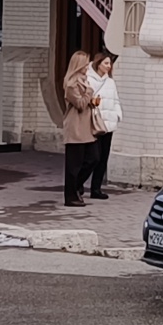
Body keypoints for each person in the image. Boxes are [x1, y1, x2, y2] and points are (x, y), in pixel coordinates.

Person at [61, 49, 97, 207]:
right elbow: (80, 104)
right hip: (75, 127)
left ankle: (77, 186)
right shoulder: (71, 84)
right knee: (74, 165)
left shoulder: (84, 80)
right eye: (86, 63)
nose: (88, 66)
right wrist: (89, 92)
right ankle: (70, 196)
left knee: (93, 158)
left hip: (86, 127)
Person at [88, 51, 121, 200]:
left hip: (108, 124)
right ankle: (79, 183)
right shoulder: (89, 80)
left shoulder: (110, 81)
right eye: (105, 63)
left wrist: (117, 115)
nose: (108, 66)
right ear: (98, 64)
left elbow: (115, 100)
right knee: (92, 157)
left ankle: (96, 188)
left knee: (103, 158)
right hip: (94, 123)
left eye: (110, 63)